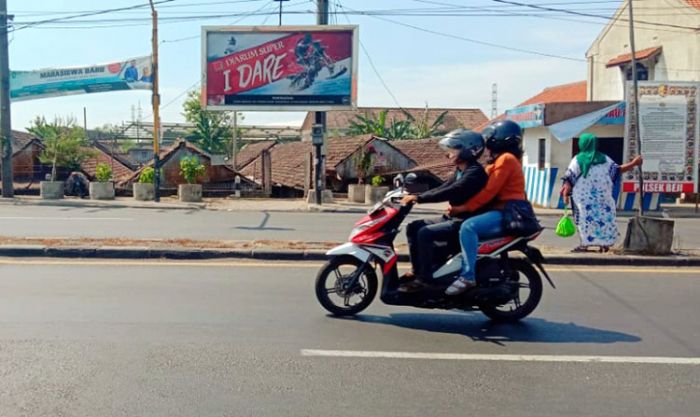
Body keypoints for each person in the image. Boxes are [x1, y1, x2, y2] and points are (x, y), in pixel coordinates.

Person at [398, 129, 488, 292]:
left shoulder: (474, 172)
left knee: (424, 233)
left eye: (453, 150)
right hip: (453, 218)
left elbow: (452, 191)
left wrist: (419, 199)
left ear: (468, 150)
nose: (448, 154)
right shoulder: (460, 170)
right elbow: (443, 187)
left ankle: (425, 280)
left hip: (464, 221)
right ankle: (417, 271)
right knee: (413, 227)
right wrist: (416, 195)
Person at [446, 120, 528, 296]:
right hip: (501, 210)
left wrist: (464, 208)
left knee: (468, 227)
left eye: (490, 137)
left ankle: (467, 276)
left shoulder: (506, 160)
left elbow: (489, 192)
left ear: (500, 139)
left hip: (506, 213)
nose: (487, 140)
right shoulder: (500, 160)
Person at [561, 133, 643, 253]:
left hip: (584, 200)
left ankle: (585, 244)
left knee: (585, 219)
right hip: (603, 197)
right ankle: (604, 244)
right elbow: (618, 170)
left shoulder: (578, 160)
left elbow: (569, 177)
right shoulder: (605, 159)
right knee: (603, 219)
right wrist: (634, 163)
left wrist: (565, 193)